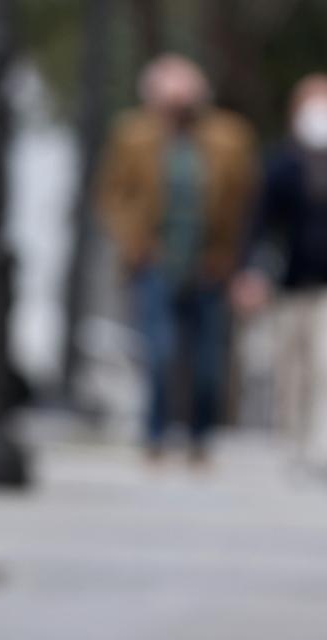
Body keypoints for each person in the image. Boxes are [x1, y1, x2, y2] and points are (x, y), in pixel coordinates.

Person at [96, 54, 256, 465]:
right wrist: (136, 244)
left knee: (206, 360)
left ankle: (200, 437)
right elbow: (112, 196)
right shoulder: (133, 135)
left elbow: (245, 204)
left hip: (209, 264)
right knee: (161, 351)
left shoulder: (230, 137)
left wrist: (234, 260)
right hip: (156, 264)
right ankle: (155, 434)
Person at [233, 74, 327, 475]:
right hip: (289, 282)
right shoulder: (283, 163)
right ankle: (294, 441)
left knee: (324, 363)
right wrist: (250, 272)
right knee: (291, 367)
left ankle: (321, 443)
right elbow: (260, 223)